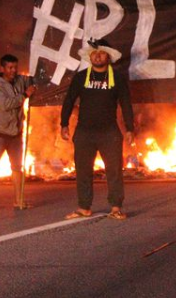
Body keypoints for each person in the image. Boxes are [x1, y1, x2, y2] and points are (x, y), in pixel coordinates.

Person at [60, 39, 134, 221]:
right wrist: (64, 124)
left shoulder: (117, 78)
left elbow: (125, 104)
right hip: (84, 132)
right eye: (94, 53)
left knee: (114, 170)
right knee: (83, 170)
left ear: (107, 56)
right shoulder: (80, 77)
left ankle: (116, 207)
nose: (97, 56)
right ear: (90, 57)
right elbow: (69, 100)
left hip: (109, 132)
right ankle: (84, 207)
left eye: (101, 53)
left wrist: (130, 128)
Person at [0, 55, 35, 212]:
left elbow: (34, 80)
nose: (13, 71)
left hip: (16, 133)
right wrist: (24, 95)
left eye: (15, 67)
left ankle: (18, 200)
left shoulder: (19, 80)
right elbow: (5, 105)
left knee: (17, 168)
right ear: (2, 69)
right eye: (10, 68)